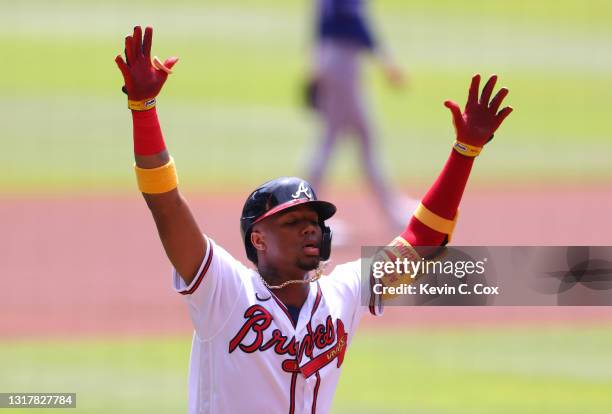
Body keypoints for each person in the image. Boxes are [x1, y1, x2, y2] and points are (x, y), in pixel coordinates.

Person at [115, 26, 512, 414]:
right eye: (290, 222)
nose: (310, 227)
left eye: (314, 219)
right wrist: (143, 111)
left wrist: (464, 153)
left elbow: (422, 243)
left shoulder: (344, 293)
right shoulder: (223, 291)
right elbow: (165, 206)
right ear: (258, 239)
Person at [306, 0, 407, 229]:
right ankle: (306, 214)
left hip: (334, 58)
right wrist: (386, 58)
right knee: (343, 138)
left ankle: (392, 209)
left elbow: (323, 21)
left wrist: (314, 62)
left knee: (345, 138)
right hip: (342, 62)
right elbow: (354, 22)